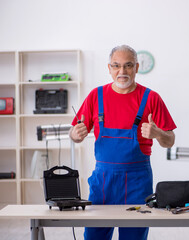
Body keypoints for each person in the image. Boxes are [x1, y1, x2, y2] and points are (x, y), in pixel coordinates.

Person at [69, 45, 176, 240]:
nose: (122, 71)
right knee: (94, 236)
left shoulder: (151, 98)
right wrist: (75, 134)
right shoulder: (96, 96)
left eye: (128, 66)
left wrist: (158, 133)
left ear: (136, 67)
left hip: (137, 183)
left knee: (134, 237)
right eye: (116, 66)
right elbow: (74, 133)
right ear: (109, 68)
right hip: (103, 183)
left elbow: (170, 140)